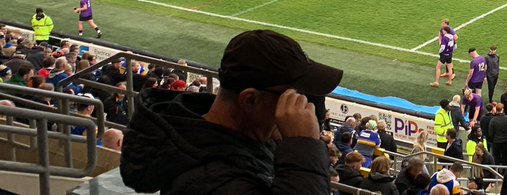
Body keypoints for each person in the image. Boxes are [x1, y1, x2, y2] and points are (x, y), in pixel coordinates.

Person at [119, 29, 344, 194]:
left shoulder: (241, 138)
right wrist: (303, 148)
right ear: (250, 100)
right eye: (293, 97)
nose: (304, 107)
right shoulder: (207, 181)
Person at [431, 22, 458, 88]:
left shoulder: (444, 38)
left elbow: (442, 47)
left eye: (443, 30)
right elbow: (455, 46)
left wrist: (439, 52)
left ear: (445, 31)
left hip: (444, 55)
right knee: (450, 68)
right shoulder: (452, 37)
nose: (442, 32)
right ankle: (449, 81)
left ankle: (436, 82)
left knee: (438, 67)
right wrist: (451, 51)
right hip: (450, 54)